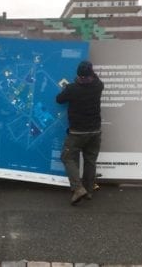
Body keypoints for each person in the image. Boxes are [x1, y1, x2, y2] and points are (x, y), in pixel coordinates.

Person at [56, 60, 104, 205]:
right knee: (90, 161)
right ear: (91, 74)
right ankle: (88, 191)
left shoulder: (72, 89)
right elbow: (95, 78)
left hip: (77, 133)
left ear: (78, 75)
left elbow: (59, 100)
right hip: (95, 131)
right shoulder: (98, 86)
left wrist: (68, 86)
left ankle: (78, 189)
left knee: (67, 157)